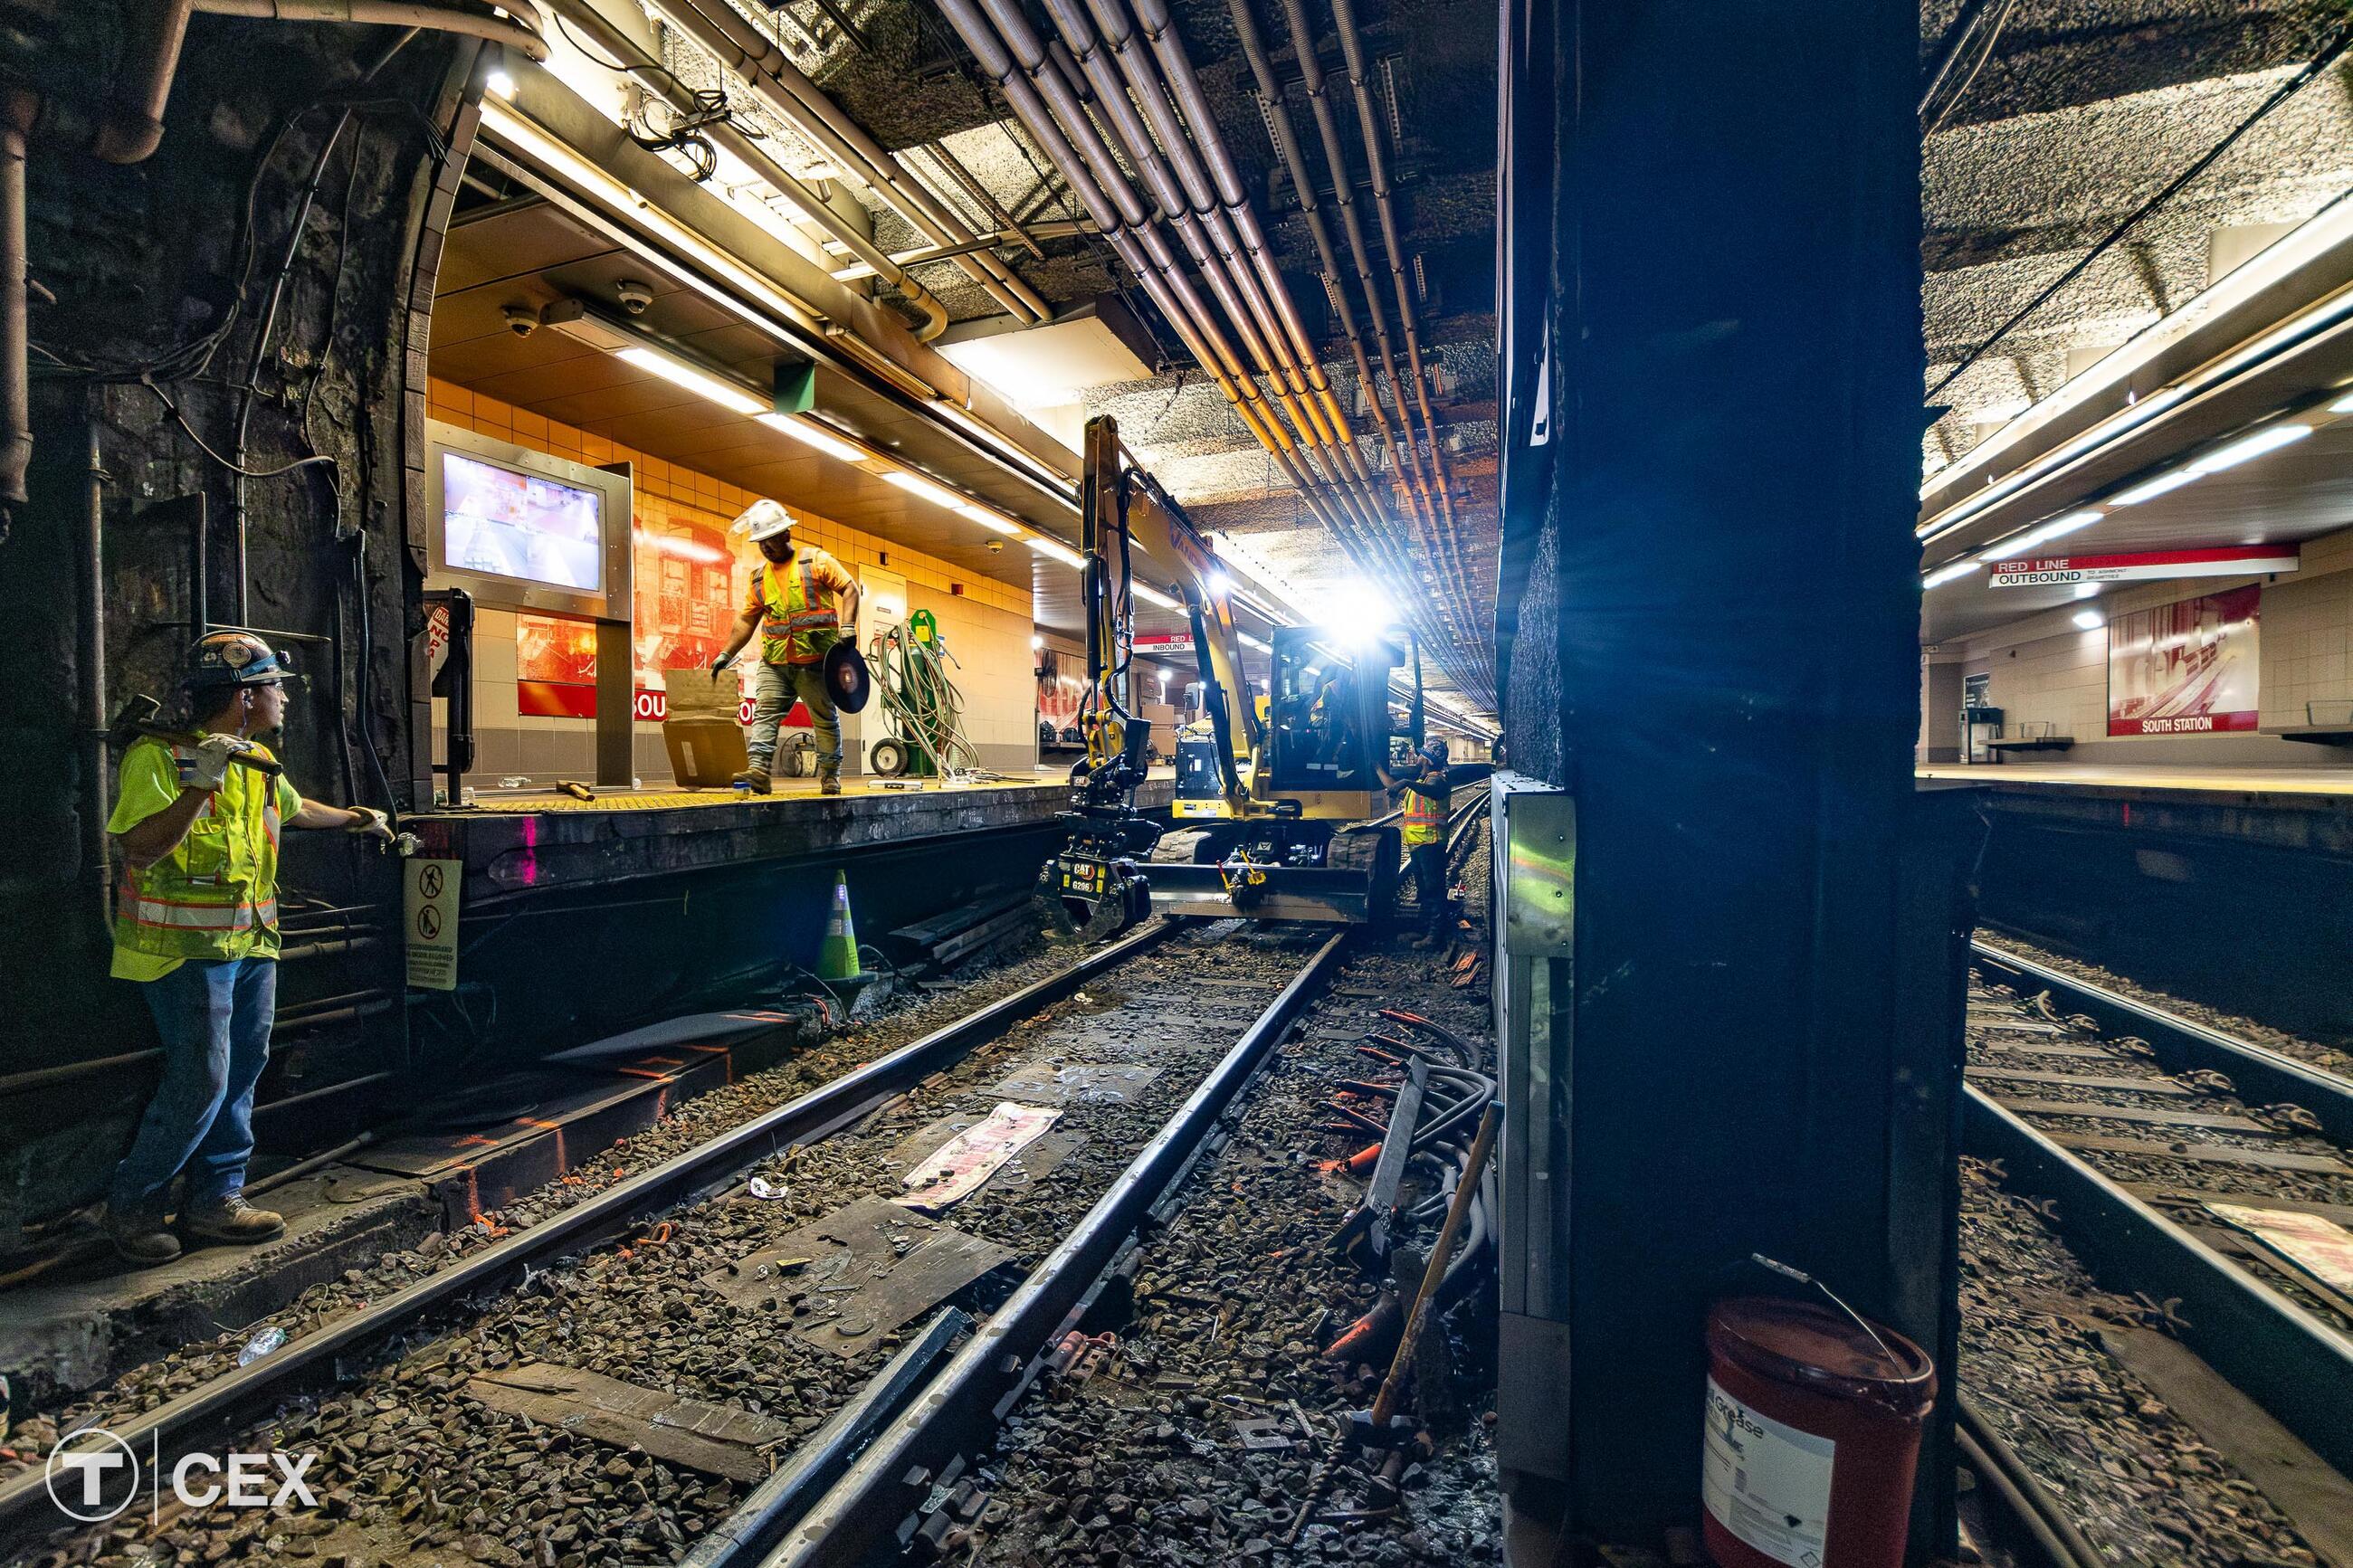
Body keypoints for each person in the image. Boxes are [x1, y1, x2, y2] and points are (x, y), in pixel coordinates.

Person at [107, 631, 395, 1263]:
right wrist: (198, 786)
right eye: (274, 687)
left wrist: (356, 818)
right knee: (202, 1080)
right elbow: (140, 847)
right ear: (244, 696)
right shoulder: (158, 758)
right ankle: (134, 1205)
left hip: (250, 943)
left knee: (240, 1071)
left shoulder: (257, 760)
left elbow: (293, 809)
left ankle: (216, 1199)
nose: (283, 698)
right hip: (182, 950)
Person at [710, 499, 860, 796]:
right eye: (761, 542)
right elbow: (747, 620)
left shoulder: (816, 562)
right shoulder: (758, 578)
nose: (765, 547)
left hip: (816, 662)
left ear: (786, 535)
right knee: (765, 712)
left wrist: (848, 627)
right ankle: (759, 772)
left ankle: (830, 776)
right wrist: (726, 653)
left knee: (823, 719)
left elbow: (849, 589)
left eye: (770, 540)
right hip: (775, 663)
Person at [1387, 737, 1453, 947]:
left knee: (1434, 889)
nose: (1417, 757)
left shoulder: (1437, 781)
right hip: (1419, 843)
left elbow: (1432, 792)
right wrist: (1376, 767)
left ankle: (1434, 935)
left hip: (1431, 843)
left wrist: (1406, 782)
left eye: (1421, 754)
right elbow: (1393, 787)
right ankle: (1422, 930)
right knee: (1423, 890)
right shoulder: (1423, 782)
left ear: (1428, 760)